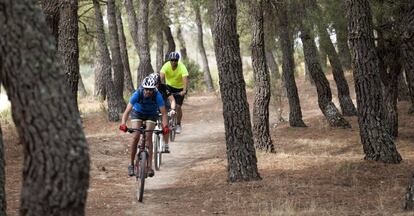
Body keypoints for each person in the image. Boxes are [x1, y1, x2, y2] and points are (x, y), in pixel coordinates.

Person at [119, 76, 169, 177]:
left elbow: (164, 113)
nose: (148, 92)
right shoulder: (137, 94)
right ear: (143, 88)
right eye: (146, 89)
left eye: (150, 90)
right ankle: (131, 165)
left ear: (153, 89)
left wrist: (165, 126)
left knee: (149, 136)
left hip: (151, 114)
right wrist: (123, 124)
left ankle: (150, 167)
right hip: (138, 112)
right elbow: (127, 111)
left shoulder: (157, 95)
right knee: (135, 136)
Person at [160, 51, 188, 134]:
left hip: (180, 88)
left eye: (175, 60)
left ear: (178, 60)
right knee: (168, 105)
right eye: (172, 60)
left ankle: (178, 124)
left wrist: (184, 90)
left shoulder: (182, 67)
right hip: (169, 87)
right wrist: (158, 86)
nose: (173, 62)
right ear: (169, 60)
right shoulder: (166, 66)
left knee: (178, 107)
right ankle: (167, 121)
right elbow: (161, 76)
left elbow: (185, 79)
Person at [149, 72, 176, 153]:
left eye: (156, 84)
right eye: (153, 84)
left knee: (165, 125)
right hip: (153, 108)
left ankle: (166, 144)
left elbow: (172, 100)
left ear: (159, 83)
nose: (154, 86)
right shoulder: (148, 88)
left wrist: (172, 109)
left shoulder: (164, 87)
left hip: (165, 107)